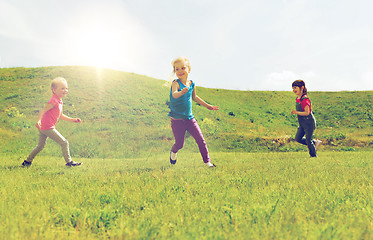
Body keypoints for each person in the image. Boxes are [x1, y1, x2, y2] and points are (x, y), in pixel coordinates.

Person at [168, 57, 219, 167]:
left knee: (201, 141)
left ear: (189, 69)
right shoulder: (175, 83)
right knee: (179, 144)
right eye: (177, 69)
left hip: (190, 119)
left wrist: (208, 106)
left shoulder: (191, 84)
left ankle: (208, 163)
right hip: (177, 120)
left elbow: (195, 97)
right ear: (175, 71)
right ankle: (173, 152)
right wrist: (181, 92)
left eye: (183, 68)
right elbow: (174, 94)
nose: (180, 71)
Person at [22, 77, 82, 167]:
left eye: (66, 88)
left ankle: (27, 161)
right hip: (47, 127)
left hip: (44, 127)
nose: (65, 90)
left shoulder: (59, 101)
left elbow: (60, 115)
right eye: (62, 88)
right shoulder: (54, 101)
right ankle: (69, 162)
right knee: (64, 143)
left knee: (40, 146)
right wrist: (38, 121)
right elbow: (43, 110)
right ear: (54, 90)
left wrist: (72, 119)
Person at [291, 80, 322, 157]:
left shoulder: (305, 99)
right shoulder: (297, 98)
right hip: (302, 123)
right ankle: (315, 143)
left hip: (309, 123)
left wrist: (296, 112)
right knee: (298, 138)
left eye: (295, 88)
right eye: (293, 88)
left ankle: (313, 156)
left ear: (302, 88)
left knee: (308, 140)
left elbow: (307, 112)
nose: (294, 90)